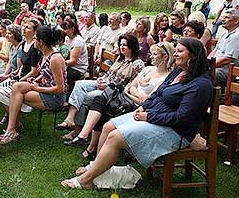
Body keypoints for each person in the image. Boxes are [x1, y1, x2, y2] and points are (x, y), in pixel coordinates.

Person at [61, 38, 213, 190]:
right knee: (108, 126)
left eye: (180, 51)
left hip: (176, 131)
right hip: (155, 117)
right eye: (176, 50)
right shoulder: (179, 71)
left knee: (115, 137)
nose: (175, 54)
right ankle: (98, 168)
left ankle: (86, 180)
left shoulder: (201, 84)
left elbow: (181, 118)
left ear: (193, 56)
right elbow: (158, 93)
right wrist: (144, 107)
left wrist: (148, 116)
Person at [74, 42, 174, 159]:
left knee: (104, 102)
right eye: (151, 53)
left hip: (138, 108)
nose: (150, 56)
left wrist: (130, 92)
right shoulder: (148, 69)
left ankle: (89, 144)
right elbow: (131, 85)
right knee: (103, 100)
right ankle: (91, 146)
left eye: (154, 54)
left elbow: (146, 101)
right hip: (127, 99)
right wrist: (133, 92)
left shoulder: (166, 78)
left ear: (165, 57)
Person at [59, 34, 145, 142]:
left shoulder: (138, 64)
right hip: (105, 83)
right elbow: (109, 74)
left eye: (125, 45)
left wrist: (107, 86)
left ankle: (78, 130)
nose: (122, 47)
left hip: (115, 93)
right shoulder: (120, 58)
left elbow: (132, 85)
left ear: (132, 46)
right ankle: (70, 119)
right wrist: (101, 79)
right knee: (79, 84)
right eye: (120, 44)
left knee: (86, 97)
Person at [0, 26, 67, 144]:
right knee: (16, 87)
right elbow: (46, 74)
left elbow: (60, 88)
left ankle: (11, 131)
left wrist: (37, 88)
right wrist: (36, 80)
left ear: (41, 42)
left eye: (35, 38)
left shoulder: (55, 58)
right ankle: (12, 129)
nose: (33, 41)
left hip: (54, 97)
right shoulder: (44, 54)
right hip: (44, 88)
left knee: (16, 97)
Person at [0, 18, 42, 118]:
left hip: (29, 80)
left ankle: (14, 119)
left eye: (28, 28)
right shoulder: (23, 44)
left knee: (2, 91)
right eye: (24, 27)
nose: (23, 29)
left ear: (34, 32)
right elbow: (20, 67)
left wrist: (19, 80)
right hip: (21, 77)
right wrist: (12, 76)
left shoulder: (35, 47)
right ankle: (14, 118)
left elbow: (34, 71)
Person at [208, 9, 239, 84]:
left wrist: (208, 66)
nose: (223, 19)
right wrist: (206, 62)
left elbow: (227, 59)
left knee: (199, 75)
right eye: (223, 17)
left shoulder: (236, 36)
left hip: (226, 71)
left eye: (227, 18)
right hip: (216, 66)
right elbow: (215, 51)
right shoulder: (224, 34)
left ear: (236, 21)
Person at [62, 19, 88, 92]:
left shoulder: (78, 41)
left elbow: (73, 61)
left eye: (66, 29)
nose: (64, 31)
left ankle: (63, 95)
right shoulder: (67, 38)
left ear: (72, 29)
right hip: (69, 67)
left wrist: (59, 63)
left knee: (58, 74)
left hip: (78, 69)